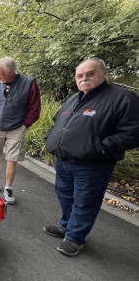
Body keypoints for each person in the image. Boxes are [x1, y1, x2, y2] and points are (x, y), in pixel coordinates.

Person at [44, 57, 139, 256]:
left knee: (85, 202)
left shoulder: (122, 99)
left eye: (90, 73)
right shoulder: (74, 98)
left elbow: (132, 133)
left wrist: (99, 148)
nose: (84, 78)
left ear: (104, 73)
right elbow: (57, 122)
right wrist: (50, 138)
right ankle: (65, 226)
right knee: (65, 195)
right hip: (64, 160)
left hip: (92, 165)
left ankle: (75, 237)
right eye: (80, 75)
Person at [0, 57, 41, 204]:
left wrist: (24, 126)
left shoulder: (29, 84)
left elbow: (35, 108)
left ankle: (8, 188)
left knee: (12, 159)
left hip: (17, 127)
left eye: (0, 75)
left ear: (12, 72)